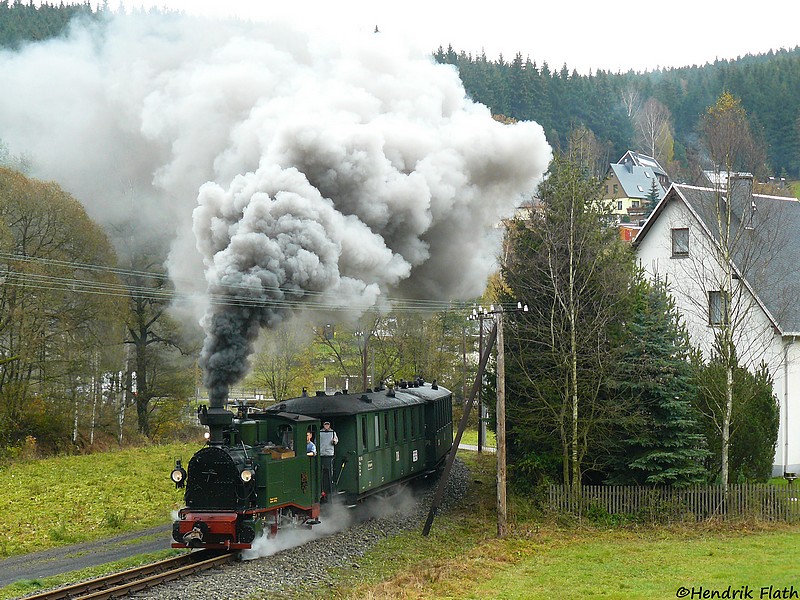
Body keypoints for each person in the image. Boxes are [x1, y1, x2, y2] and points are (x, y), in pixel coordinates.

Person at [319, 421, 338, 496]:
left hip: (329, 454)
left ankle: (331, 489)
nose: (326, 426)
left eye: (328, 424)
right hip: (321, 454)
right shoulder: (320, 432)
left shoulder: (333, 432)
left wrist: (334, 441)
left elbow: (336, 441)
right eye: (325, 424)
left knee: (330, 472)